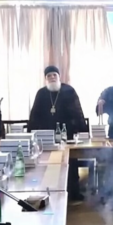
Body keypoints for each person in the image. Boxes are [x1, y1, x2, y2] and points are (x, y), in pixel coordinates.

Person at [28, 65, 88, 203]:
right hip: (47, 137)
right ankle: (50, 193)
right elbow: (34, 115)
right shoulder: (41, 93)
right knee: (48, 166)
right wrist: (30, 134)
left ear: (59, 76)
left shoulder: (69, 91)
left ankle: (73, 192)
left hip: (67, 135)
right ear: (46, 79)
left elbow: (78, 111)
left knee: (70, 164)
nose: (52, 77)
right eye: (49, 76)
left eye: (54, 75)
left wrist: (82, 131)